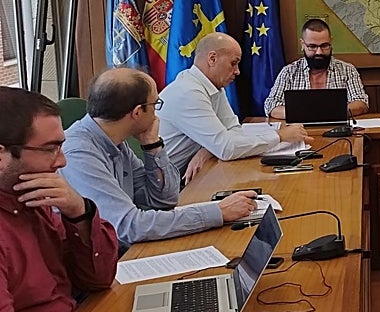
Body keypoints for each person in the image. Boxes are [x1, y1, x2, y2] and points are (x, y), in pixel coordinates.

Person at [0, 89, 224, 312]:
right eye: (49, 149)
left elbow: (97, 279)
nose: (62, 162)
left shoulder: (32, 196)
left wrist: (80, 213)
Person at [60, 67, 258, 248]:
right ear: (138, 112)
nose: (157, 112)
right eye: (156, 104)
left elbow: (164, 201)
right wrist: (218, 212)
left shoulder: (116, 141)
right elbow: (128, 227)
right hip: (100, 263)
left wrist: (152, 145)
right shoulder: (79, 153)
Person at [158, 32, 311, 182]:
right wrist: (280, 136)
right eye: (233, 63)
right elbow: (227, 148)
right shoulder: (188, 92)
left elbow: (234, 131)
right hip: (169, 187)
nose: (237, 71)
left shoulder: (212, 86)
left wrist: (207, 150)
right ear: (212, 59)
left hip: (191, 174)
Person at [264, 18, 369, 120]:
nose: (319, 52)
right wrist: (301, 113)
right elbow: (271, 105)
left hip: (338, 131)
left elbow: (361, 103)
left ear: (331, 42)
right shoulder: (289, 72)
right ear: (302, 45)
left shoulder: (347, 70)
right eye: (312, 46)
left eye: (324, 45)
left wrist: (327, 112)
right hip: (299, 132)